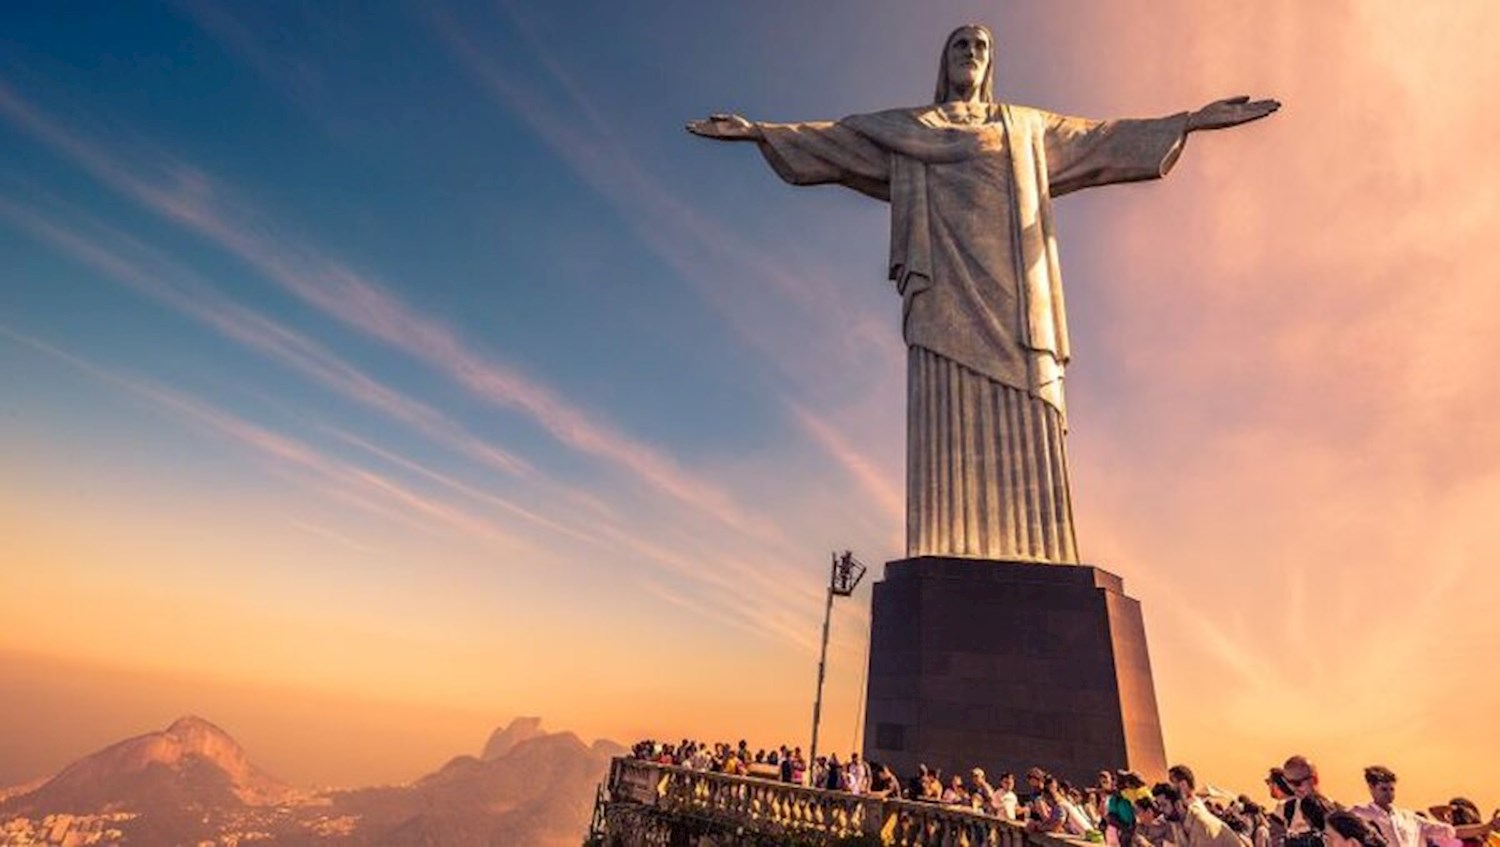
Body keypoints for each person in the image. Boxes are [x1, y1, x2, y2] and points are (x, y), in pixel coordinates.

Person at [688, 24, 1278, 563]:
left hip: (1018, 295)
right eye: (959, 45)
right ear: (944, 63)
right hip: (943, 285)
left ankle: (1042, 550)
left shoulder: (1024, 127)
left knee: (1028, 403)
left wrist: (1189, 121)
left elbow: (1104, 138)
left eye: (980, 46)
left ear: (990, 63)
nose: (970, 53)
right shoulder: (907, 129)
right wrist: (758, 133)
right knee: (945, 404)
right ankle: (947, 542)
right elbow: (836, 140)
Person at [1154, 782, 1248, 847]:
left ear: (1178, 804)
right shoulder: (1177, 822)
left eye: (1164, 805)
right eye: (1159, 805)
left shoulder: (1202, 824)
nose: (1160, 809)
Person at [1276, 755, 1337, 847]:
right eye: (1288, 783)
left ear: (1315, 779)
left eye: (1297, 783)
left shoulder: (1333, 810)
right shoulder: (1287, 809)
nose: (1293, 788)